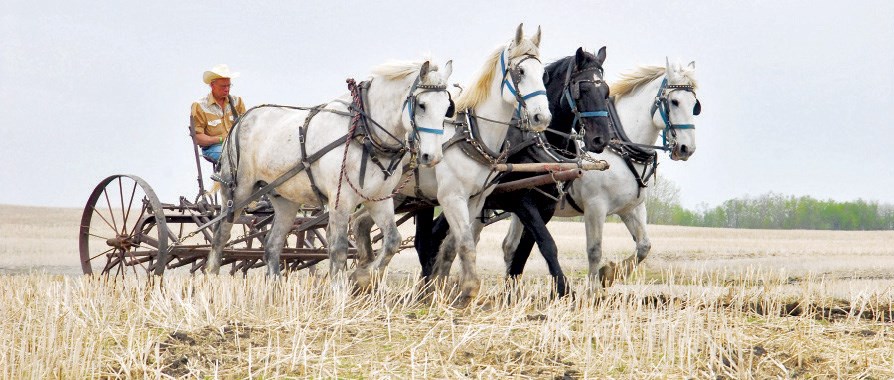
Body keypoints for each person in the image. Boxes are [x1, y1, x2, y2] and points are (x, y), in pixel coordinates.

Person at [191, 64, 246, 164]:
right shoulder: (200, 106)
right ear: (212, 85)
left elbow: (247, 127)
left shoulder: (237, 102)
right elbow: (198, 138)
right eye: (223, 86)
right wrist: (221, 139)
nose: (227, 89)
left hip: (238, 145)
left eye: (229, 85)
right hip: (214, 148)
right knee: (232, 156)